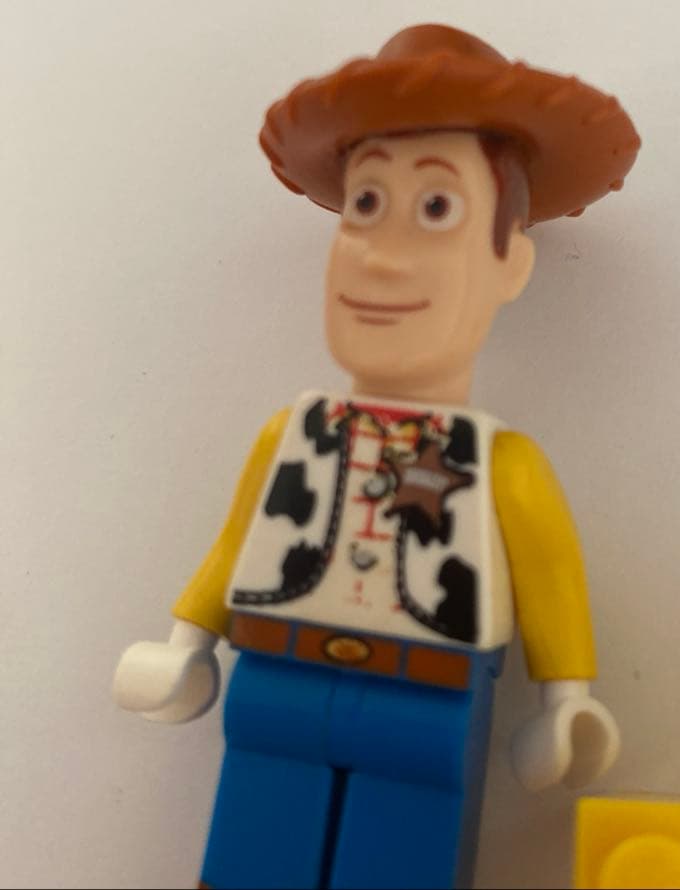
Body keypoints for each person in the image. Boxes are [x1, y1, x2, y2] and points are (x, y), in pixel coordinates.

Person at [113, 23, 639, 890]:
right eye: (364, 203)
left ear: (510, 265)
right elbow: (236, 544)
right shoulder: (289, 435)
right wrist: (187, 642)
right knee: (256, 845)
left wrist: (567, 700)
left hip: (426, 700)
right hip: (276, 678)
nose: (383, 257)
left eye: (436, 209)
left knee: (400, 851)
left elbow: (550, 576)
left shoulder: (502, 466)